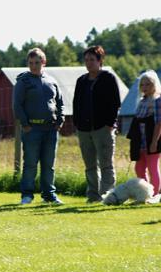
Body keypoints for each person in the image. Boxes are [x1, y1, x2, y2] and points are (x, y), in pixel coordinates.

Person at [13, 48, 66, 205]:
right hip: (32, 129)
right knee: (30, 164)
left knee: (49, 165)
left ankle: (49, 195)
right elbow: (17, 105)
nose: (34, 66)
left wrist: (60, 119)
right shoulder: (23, 82)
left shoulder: (52, 81)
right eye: (30, 63)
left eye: (37, 62)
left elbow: (60, 103)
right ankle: (27, 195)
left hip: (50, 129)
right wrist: (25, 124)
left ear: (44, 62)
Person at [72, 45, 121, 203]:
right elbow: (76, 104)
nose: (88, 63)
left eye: (92, 59)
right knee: (90, 166)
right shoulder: (81, 81)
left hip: (103, 128)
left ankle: (108, 196)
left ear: (100, 61)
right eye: (86, 60)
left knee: (106, 164)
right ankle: (93, 196)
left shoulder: (108, 78)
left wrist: (110, 124)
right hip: (84, 129)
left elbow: (115, 103)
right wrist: (77, 124)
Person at [126, 70, 161, 195]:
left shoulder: (157, 101)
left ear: (154, 85)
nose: (145, 87)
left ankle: (155, 194)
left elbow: (158, 123)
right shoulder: (141, 101)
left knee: (153, 168)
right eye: (142, 85)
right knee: (139, 168)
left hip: (151, 140)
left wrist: (154, 142)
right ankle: (144, 193)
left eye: (148, 84)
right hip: (140, 141)